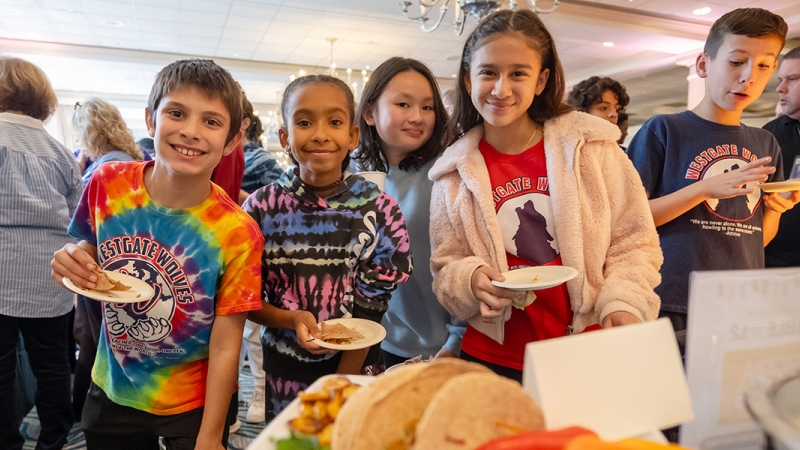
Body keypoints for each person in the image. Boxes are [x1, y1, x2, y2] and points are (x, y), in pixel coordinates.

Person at [429, 9, 662, 383]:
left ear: (541, 81)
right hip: (492, 357)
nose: (501, 89)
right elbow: (446, 266)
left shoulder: (592, 150)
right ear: (468, 80)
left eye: (518, 73)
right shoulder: (452, 174)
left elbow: (634, 242)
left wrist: (625, 299)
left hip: (587, 349)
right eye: (488, 72)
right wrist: (470, 280)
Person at [51, 58, 264, 450]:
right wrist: (72, 259)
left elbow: (226, 340)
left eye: (211, 121)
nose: (191, 131)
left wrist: (211, 436)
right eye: (177, 113)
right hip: (114, 383)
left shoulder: (237, 232)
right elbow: (88, 247)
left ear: (233, 139)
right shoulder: (107, 183)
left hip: (195, 400)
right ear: (151, 120)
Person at [626, 8, 798, 353]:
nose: (749, 77)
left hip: (739, 300)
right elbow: (631, 221)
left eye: (764, 66)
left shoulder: (765, 143)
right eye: (737, 62)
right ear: (704, 65)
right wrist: (703, 189)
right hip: (670, 295)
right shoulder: (664, 130)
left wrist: (776, 210)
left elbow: (755, 238)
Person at [242, 74, 412, 420]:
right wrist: (291, 319)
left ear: (352, 136)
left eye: (334, 122)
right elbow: (245, 301)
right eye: (305, 122)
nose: (320, 134)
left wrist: (340, 383)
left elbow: (372, 304)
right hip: (284, 372)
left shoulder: (379, 210)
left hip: (357, 368)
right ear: (285, 137)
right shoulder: (261, 209)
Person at [352, 57, 465, 368]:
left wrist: (457, 339)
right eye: (403, 104)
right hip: (370, 338)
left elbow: (468, 255)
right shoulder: (351, 173)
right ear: (369, 113)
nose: (417, 117)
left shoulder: (447, 172)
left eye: (427, 107)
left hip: (443, 345)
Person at [0, 55, 80, 450]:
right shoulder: (62, 153)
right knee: (53, 366)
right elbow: (80, 219)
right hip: (52, 274)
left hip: (1, 271)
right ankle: (55, 441)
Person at [71, 97, 146, 421]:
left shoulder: (105, 171)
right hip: (130, 269)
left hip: (107, 273)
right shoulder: (130, 160)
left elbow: (86, 232)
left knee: (95, 342)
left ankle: (85, 411)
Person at [764, 45, 800, 267]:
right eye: (780, 80)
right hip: (776, 263)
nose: (781, 88)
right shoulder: (769, 135)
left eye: (793, 79)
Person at [238, 98, 284, 202]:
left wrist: (245, 199)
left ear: (245, 123)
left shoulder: (261, 159)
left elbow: (284, 201)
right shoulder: (217, 156)